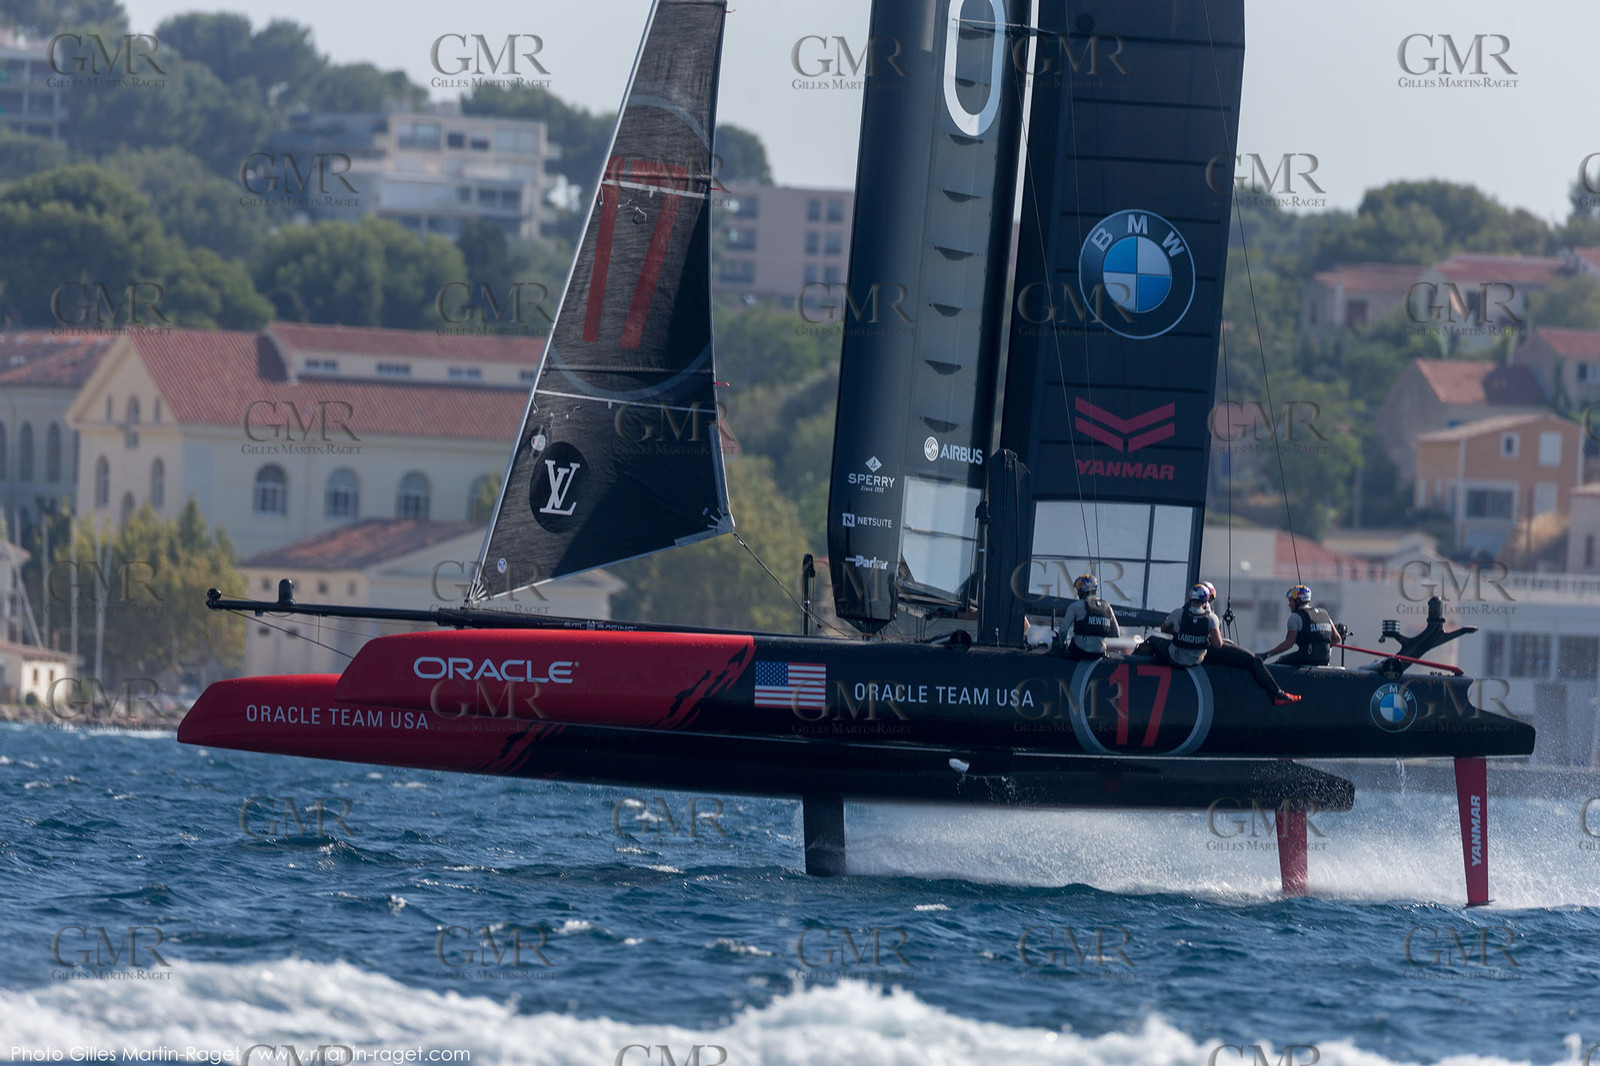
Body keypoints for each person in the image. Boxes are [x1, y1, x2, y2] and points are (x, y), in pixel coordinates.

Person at [1155, 582, 1301, 705]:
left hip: (1178, 655)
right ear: (1207, 597)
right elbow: (1217, 644)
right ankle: (1277, 693)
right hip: (1204, 655)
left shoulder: (1179, 612)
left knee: (1154, 642)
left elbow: (1165, 629)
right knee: (1253, 660)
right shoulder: (1210, 616)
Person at [1261, 585, 1337, 667]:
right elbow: (1337, 638)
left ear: (1298, 600)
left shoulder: (1295, 617)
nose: (1289, 604)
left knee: (1281, 660)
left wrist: (1266, 655)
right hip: (1325, 660)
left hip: (1307, 659)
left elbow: (1288, 643)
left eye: (1290, 601)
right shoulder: (1324, 613)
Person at [1053, 573, 1120, 660]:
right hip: (1100, 653)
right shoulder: (1107, 606)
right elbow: (1116, 633)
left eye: (1078, 590)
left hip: (1080, 652)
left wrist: (1061, 647)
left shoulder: (1076, 606)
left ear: (1081, 590)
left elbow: (1062, 631)